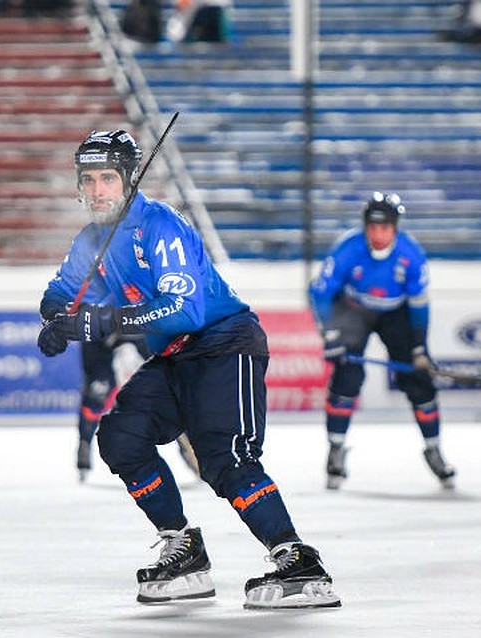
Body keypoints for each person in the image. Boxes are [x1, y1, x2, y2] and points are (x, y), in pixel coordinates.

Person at [37, 129, 339, 608]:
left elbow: (186, 310)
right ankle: (185, 550)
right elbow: (59, 291)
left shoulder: (159, 227)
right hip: (175, 356)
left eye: (108, 179)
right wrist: (59, 320)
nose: (97, 190)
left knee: (225, 459)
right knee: (120, 436)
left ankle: (297, 559)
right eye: (89, 179)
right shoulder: (91, 240)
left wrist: (105, 319)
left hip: (223, 344)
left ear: (130, 180)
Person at [308, 192, 456, 490]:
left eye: (385, 227)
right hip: (353, 310)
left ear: (395, 228)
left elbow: (419, 305)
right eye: (372, 227)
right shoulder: (347, 249)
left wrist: (418, 347)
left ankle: (434, 448)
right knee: (347, 377)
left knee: (419, 380)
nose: (378, 234)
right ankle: (336, 450)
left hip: (395, 312)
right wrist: (331, 334)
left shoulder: (411, 254)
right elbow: (320, 293)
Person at [71, 338, 200, 483]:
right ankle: (84, 444)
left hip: (133, 330)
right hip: (111, 331)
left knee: (164, 390)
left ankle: (192, 448)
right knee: (98, 390)